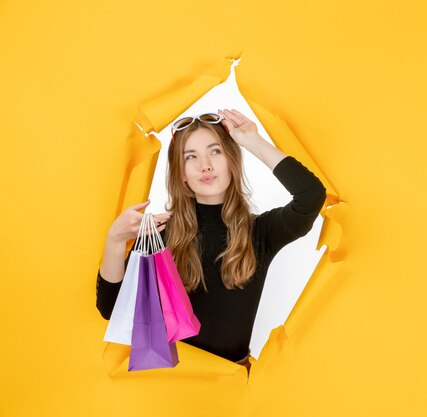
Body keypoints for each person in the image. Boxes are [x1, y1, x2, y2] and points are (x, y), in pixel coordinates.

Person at [96, 109, 327, 375]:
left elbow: (310, 196)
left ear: (231, 161)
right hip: (170, 384)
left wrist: (253, 141)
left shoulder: (260, 233)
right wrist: (115, 240)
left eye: (215, 152)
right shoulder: (159, 236)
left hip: (232, 389)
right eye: (190, 157)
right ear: (180, 173)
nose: (205, 165)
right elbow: (111, 309)